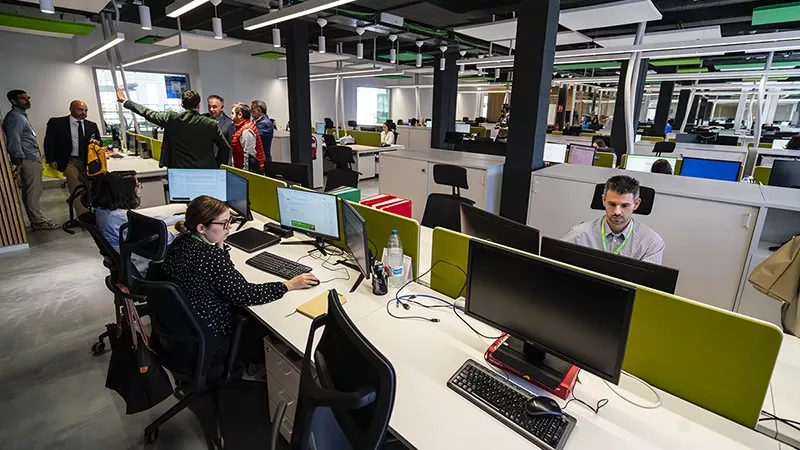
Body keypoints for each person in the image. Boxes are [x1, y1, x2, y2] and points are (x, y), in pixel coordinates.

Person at [162, 195, 318, 369]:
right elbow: (246, 294)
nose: (229, 228)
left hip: (185, 327)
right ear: (201, 228)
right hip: (212, 335)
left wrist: (219, 244)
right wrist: (288, 284)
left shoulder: (181, 241)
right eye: (224, 224)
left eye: (230, 221)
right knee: (265, 322)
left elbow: (220, 273)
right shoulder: (210, 258)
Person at [115, 87, 231, 169]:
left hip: (179, 172)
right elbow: (225, 148)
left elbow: (147, 112)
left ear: (182, 105)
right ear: (199, 105)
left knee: (183, 203)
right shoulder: (210, 124)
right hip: (207, 172)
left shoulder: (171, 119)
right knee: (207, 203)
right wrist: (216, 166)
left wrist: (125, 101)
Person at [93, 172, 184, 275]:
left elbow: (154, 221)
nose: (140, 188)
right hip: (145, 268)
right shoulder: (120, 218)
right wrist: (180, 231)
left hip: (128, 264)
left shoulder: (103, 212)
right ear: (125, 191)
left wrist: (182, 218)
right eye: (137, 186)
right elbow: (163, 240)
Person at [562, 175, 664, 264]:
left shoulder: (651, 243)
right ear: (603, 200)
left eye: (624, 205)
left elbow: (646, 282)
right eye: (612, 204)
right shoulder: (579, 234)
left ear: (636, 204)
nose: (617, 212)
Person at [3, 89, 59, 230]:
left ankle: (36, 218)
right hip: (27, 160)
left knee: (31, 191)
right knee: (33, 192)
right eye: (22, 99)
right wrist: (18, 163)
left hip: (30, 158)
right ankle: (38, 221)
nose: (27, 101)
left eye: (27, 97)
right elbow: (14, 142)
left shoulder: (21, 116)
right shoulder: (15, 118)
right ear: (13, 101)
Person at [43, 100, 101, 215]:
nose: (83, 113)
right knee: (77, 187)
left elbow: (99, 142)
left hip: (87, 161)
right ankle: (83, 216)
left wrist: (97, 143)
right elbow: (49, 142)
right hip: (69, 160)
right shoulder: (57, 123)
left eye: (85, 110)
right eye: (80, 110)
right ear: (71, 109)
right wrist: (51, 159)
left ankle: (93, 211)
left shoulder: (91, 125)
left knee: (90, 187)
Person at [230, 103, 266, 174]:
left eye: (232, 113)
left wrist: (245, 174)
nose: (231, 116)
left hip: (251, 171)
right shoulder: (243, 127)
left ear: (239, 115)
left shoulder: (246, 131)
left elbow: (249, 155)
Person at [207, 94, 234, 163]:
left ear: (222, 107)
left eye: (214, 107)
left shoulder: (229, 124)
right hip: (208, 162)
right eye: (209, 106)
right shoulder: (205, 121)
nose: (211, 109)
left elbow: (231, 147)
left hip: (222, 163)